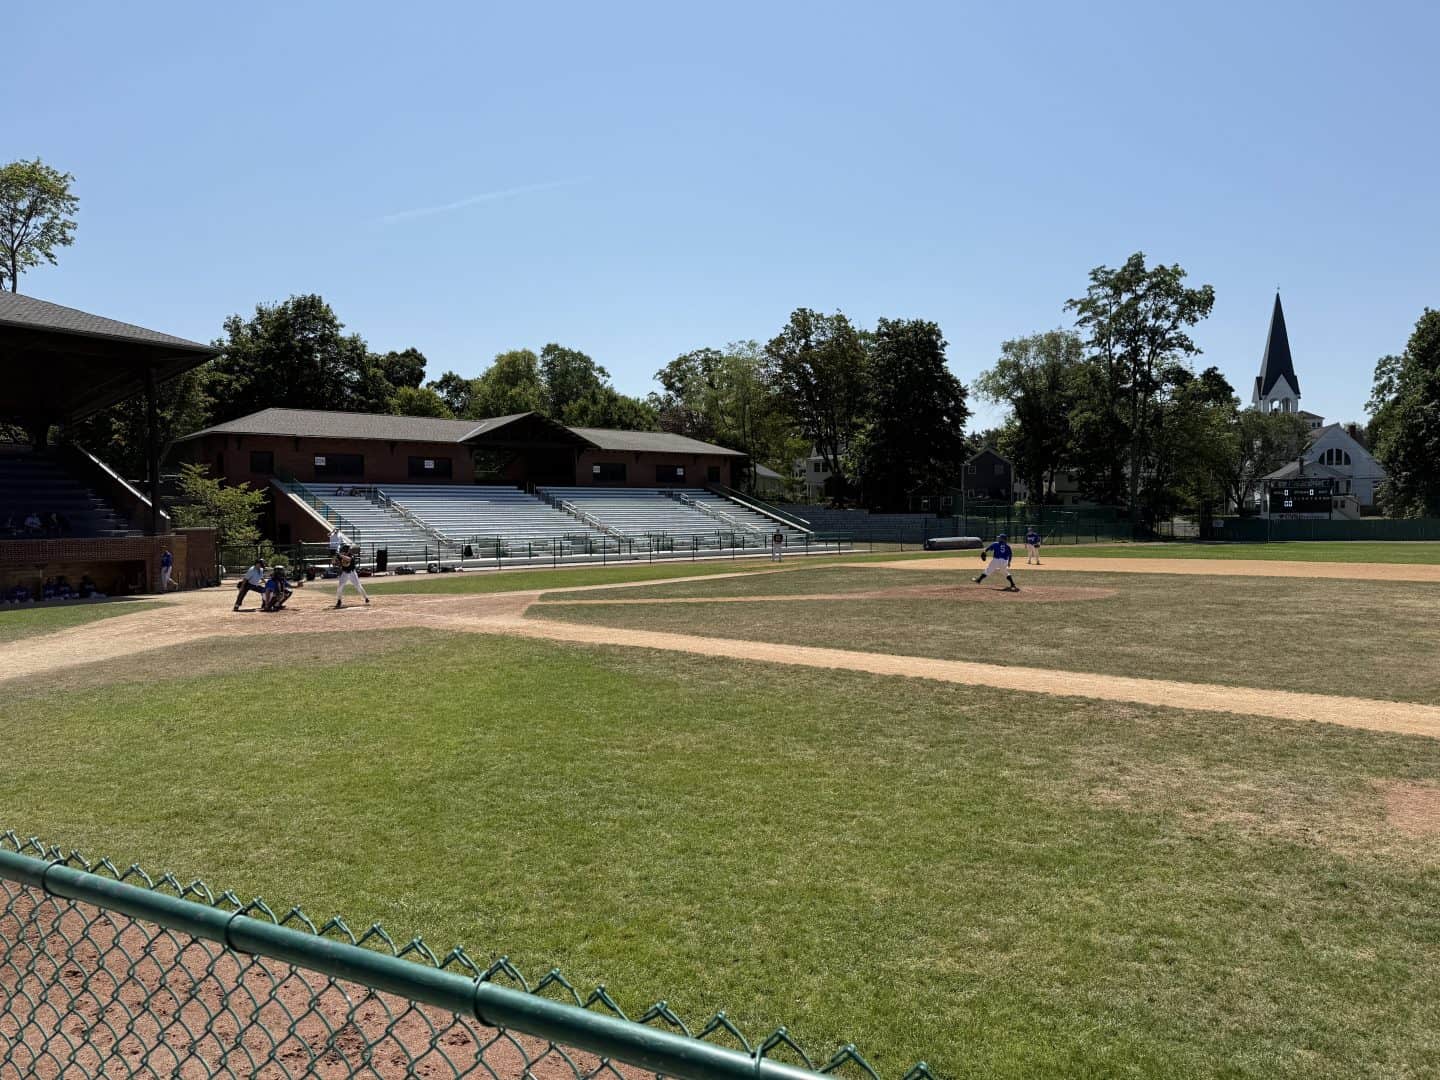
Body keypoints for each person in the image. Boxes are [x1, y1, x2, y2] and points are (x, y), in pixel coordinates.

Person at [333, 544, 369, 609]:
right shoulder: (341, 555)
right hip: (344, 573)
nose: (350, 550)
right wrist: (335, 557)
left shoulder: (351, 555)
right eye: (349, 549)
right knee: (340, 587)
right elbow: (333, 562)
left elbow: (349, 559)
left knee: (358, 586)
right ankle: (339, 600)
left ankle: (366, 598)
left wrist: (340, 555)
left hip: (352, 573)